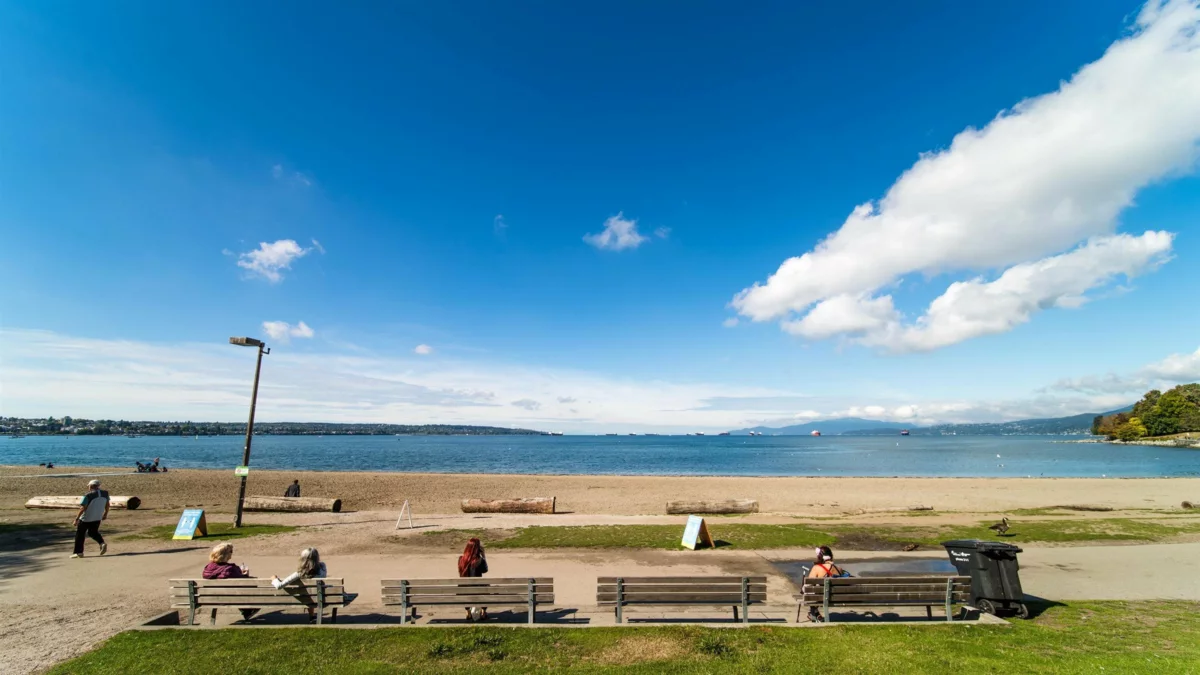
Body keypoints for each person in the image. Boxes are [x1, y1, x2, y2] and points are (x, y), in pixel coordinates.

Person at [203, 543, 259, 621]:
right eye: (231, 551)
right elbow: (243, 581)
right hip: (230, 597)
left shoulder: (208, 569)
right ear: (225, 555)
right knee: (247, 587)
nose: (232, 553)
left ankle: (246, 611)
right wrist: (246, 575)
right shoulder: (230, 569)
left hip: (211, 597)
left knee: (230, 589)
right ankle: (248, 610)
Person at [271, 548, 327, 623]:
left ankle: (312, 616)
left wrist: (274, 579)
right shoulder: (323, 567)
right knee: (313, 591)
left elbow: (279, 586)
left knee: (307, 593)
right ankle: (312, 616)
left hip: (307, 598)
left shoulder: (299, 573)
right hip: (322, 598)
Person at [805, 545, 849, 622]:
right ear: (831, 556)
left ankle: (813, 612)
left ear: (820, 557)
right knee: (819, 590)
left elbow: (809, 586)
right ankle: (815, 613)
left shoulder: (817, 568)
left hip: (822, 597)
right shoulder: (839, 569)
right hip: (835, 597)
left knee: (809, 590)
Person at [71, 479, 108, 558]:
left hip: (86, 518)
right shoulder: (105, 494)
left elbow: (83, 508)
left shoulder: (88, 495)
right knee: (93, 532)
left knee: (80, 534)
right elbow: (107, 505)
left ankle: (79, 552)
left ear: (91, 486)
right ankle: (102, 543)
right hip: (97, 517)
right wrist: (105, 514)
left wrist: (77, 518)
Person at [457, 537, 489, 621]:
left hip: (464, 591)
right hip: (478, 589)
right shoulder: (479, 560)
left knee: (463, 587)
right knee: (487, 587)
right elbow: (485, 570)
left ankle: (468, 612)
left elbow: (461, 573)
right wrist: (484, 555)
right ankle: (483, 611)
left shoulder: (461, 559)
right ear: (477, 549)